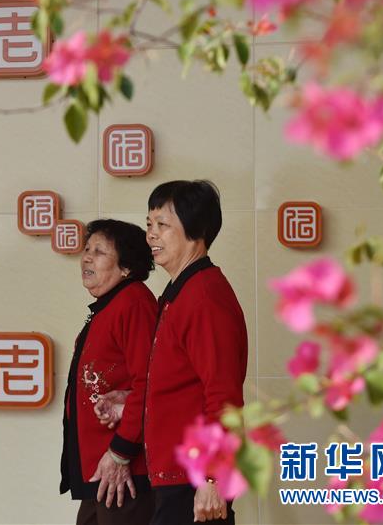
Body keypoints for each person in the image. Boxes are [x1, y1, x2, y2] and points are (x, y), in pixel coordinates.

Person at [96, 180, 248, 524]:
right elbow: (182, 382)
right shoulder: (181, 291)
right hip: (173, 478)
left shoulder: (205, 297)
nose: (151, 235)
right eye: (149, 224)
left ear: (196, 231)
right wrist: (130, 400)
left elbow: (223, 396)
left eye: (162, 224)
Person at [60, 219, 158, 525]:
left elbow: (149, 384)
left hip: (124, 467)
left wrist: (121, 451)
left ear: (126, 267)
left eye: (99, 252)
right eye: (87, 249)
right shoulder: (110, 305)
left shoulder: (134, 302)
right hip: (101, 467)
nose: (87, 258)